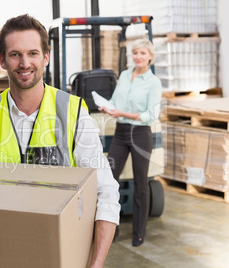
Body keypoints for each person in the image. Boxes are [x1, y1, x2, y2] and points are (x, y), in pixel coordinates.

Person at [0, 14, 120, 267]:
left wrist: (94, 265)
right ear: (2, 60)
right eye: (15, 54)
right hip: (0, 251)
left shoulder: (73, 113)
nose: (24, 63)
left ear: (46, 57)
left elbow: (105, 191)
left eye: (32, 53)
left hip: (61, 252)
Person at [99, 39, 162, 247]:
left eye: (142, 53)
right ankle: (112, 229)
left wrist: (122, 113)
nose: (138, 57)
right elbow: (116, 102)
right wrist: (108, 108)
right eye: (135, 53)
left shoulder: (153, 83)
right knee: (110, 180)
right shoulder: (125, 75)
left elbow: (151, 116)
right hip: (120, 133)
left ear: (150, 57)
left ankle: (139, 233)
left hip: (140, 134)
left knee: (141, 184)